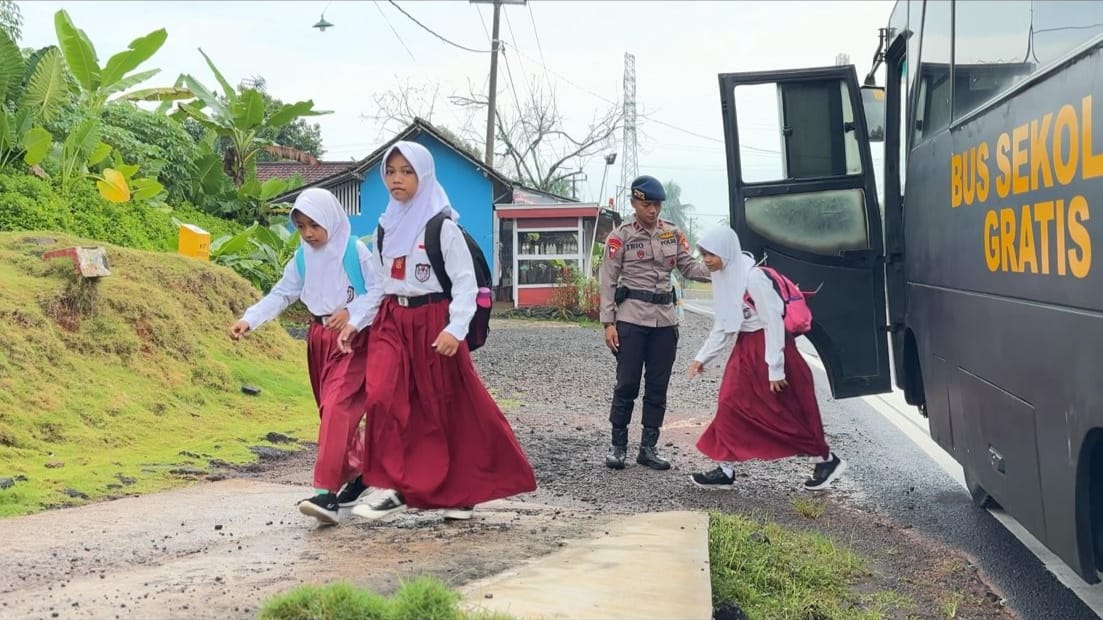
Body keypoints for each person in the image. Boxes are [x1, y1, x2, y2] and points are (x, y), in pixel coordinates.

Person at [338, 140, 536, 522]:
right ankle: (396, 484)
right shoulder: (384, 227)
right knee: (381, 396)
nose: (396, 179)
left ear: (424, 176)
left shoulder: (441, 227)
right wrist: (356, 321)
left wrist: (455, 328)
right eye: (390, 172)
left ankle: (462, 491)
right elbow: (379, 286)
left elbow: (464, 284)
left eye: (406, 172)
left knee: (445, 406)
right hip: (392, 320)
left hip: (433, 321)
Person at [228, 188, 379, 525]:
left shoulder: (354, 251)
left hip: (353, 340)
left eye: (314, 225)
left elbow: (378, 292)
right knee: (330, 413)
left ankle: (325, 494)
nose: (308, 233)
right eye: (301, 226)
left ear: (331, 220)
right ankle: (361, 471)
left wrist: (351, 314)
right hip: (319, 340)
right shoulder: (302, 258)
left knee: (337, 409)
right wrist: (249, 319)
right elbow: (282, 294)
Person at [686, 226, 846, 491]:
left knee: (784, 411)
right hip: (745, 349)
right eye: (704, 255)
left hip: (770, 348)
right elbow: (725, 324)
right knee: (730, 403)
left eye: (711, 254)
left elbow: (773, 321)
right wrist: (702, 357)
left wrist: (775, 368)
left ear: (726, 251)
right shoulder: (725, 278)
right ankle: (725, 469)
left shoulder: (753, 278)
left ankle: (825, 459)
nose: (707, 260)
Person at [599, 175, 712, 470]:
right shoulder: (621, 237)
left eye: (657, 205)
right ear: (634, 203)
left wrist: (721, 270)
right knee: (627, 384)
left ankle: (648, 448)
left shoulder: (671, 234)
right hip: (631, 320)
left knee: (657, 386)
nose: (652, 210)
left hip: (664, 321)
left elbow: (689, 267)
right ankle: (618, 446)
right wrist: (608, 323)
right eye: (646, 204)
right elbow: (608, 281)